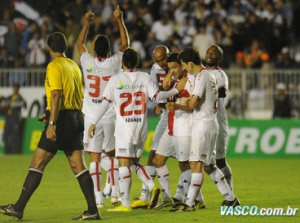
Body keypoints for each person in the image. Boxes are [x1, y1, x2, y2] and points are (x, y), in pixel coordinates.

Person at [0, 32, 100, 221]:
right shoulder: (73, 65)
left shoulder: (54, 66)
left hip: (61, 120)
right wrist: (49, 112)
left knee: (37, 163)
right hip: (77, 116)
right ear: (65, 47)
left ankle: (18, 208)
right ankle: (93, 210)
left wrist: (52, 123)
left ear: (48, 47)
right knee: (78, 166)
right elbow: (72, 94)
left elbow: (56, 95)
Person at [88, 48, 186, 212]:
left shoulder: (116, 79)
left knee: (124, 164)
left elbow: (105, 102)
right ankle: (150, 185)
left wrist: (93, 122)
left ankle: (125, 203)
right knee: (134, 162)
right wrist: (176, 90)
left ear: (122, 63)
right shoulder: (145, 77)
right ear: (137, 62)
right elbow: (157, 97)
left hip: (124, 128)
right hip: (141, 128)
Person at [171, 48, 239, 212]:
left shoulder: (203, 77)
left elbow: (193, 105)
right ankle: (231, 199)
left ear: (190, 63)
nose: (184, 69)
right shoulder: (205, 76)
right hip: (206, 124)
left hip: (203, 126)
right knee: (209, 166)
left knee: (195, 164)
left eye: (184, 65)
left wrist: (177, 105)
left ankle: (189, 203)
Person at [76, 5, 129, 208]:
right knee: (113, 156)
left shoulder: (87, 61)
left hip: (91, 116)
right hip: (110, 116)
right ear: (109, 50)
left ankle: (98, 198)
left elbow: (80, 43)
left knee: (94, 159)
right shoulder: (115, 62)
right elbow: (125, 43)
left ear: (94, 49)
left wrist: (86, 23)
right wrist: (120, 21)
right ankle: (114, 193)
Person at [152, 53, 195, 210]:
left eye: (174, 67)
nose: (172, 71)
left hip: (184, 128)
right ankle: (168, 197)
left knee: (185, 165)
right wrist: (171, 73)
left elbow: (192, 105)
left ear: (183, 65)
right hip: (170, 128)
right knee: (158, 161)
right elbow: (163, 88)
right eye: (169, 68)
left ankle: (191, 199)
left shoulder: (189, 80)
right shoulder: (175, 81)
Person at [131, 45, 170, 209]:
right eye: (158, 60)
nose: (161, 63)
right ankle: (145, 194)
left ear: (169, 55)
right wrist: (161, 103)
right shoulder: (155, 69)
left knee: (187, 161)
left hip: (182, 116)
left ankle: (186, 198)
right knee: (153, 154)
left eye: (163, 59)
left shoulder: (178, 65)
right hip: (166, 115)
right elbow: (155, 90)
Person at [205, 45, 234, 190]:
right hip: (202, 122)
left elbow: (221, 93)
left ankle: (230, 193)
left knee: (220, 161)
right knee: (194, 161)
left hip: (217, 121)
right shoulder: (200, 72)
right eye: (208, 52)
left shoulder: (220, 74)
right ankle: (194, 199)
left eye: (214, 53)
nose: (210, 55)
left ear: (219, 58)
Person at [1, 83, 26, 154]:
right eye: (13, 88)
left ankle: (15, 152)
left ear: (18, 89)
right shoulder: (9, 97)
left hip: (15, 120)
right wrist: (5, 104)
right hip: (8, 119)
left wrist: (9, 104)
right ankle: (6, 152)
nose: (14, 90)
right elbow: (3, 104)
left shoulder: (20, 98)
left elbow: (22, 104)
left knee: (15, 136)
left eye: (15, 88)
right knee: (6, 135)